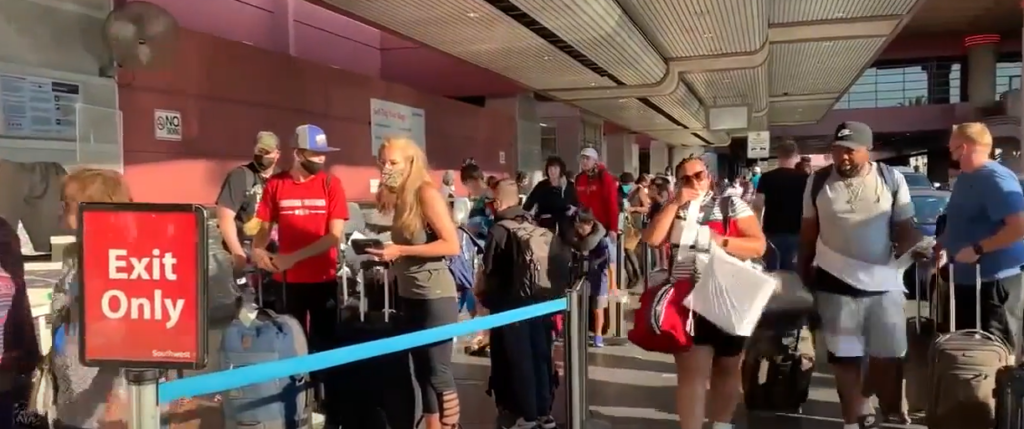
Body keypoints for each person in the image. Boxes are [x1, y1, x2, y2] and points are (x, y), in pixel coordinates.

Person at [798, 121, 922, 428]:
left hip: (882, 285)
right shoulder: (817, 182)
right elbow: (808, 233)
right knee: (844, 358)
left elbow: (906, 226)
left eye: (851, 151)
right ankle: (854, 418)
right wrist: (802, 276)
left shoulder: (890, 179)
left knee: (889, 355)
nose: (844, 158)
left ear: (868, 150)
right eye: (838, 150)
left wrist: (915, 247)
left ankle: (883, 403)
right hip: (833, 284)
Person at [640, 156, 766, 429]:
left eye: (698, 175)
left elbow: (758, 246)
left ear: (708, 175)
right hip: (688, 300)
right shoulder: (673, 208)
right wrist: (675, 202)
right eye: (686, 178)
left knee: (728, 368)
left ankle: (721, 424)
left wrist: (721, 240)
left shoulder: (730, 203)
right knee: (692, 375)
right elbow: (651, 239)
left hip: (728, 295)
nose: (694, 182)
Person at [367, 136, 462, 429]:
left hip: (435, 295)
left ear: (411, 163)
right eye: (382, 162)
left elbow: (451, 245)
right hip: (409, 294)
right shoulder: (401, 197)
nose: (387, 168)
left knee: (438, 371)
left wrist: (401, 251)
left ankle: (450, 426)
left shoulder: (426, 193)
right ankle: (432, 422)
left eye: (393, 162)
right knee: (420, 369)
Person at [251, 124, 348, 353]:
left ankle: (324, 387)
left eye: (323, 153)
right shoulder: (276, 185)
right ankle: (297, 387)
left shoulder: (331, 184)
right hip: (287, 283)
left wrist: (292, 258)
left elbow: (334, 237)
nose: (320, 159)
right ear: (297, 153)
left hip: (323, 280)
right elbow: (264, 226)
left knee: (325, 345)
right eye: (314, 153)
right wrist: (257, 249)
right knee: (290, 346)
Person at [50, 168, 134, 428]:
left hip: (105, 405)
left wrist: (119, 397)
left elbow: (132, 337)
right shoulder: (75, 256)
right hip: (72, 393)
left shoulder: (122, 263)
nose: (61, 211)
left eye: (67, 204)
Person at [939, 122, 1024, 357]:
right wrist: (941, 245)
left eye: (952, 147)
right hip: (966, 283)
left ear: (964, 148)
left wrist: (979, 248)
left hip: (992, 286)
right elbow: (961, 222)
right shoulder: (967, 178)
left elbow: (1019, 226)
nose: (950, 152)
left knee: (995, 356)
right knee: (966, 358)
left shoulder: (996, 178)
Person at [478, 178, 556, 429]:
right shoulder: (533, 224)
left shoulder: (499, 230)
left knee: (518, 359)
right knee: (541, 355)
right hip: (540, 301)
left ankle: (527, 414)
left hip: (510, 306)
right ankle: (545, 413)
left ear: (498, 201)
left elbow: (488, 272)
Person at [216, 131, 281, 273]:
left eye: (267, 152)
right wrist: (238, 255)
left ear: (277, 155)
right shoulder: (240, 176)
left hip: (272, 251)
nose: (262, 156)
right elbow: (225, 218)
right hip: (244, 249)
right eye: (259, 151)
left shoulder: (282, 180)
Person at [753, 140, 807, 271]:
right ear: (796, 155)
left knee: (771, 271)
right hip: (797, 232)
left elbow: (758, 206)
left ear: (778, 156)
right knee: (793, 273)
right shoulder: (805, 178)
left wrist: (757, 230)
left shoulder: (766, 177)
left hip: (771, 231)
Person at [575, 148, 619, 290]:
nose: (584, 161)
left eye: (587, 158)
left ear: (595, 161)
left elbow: (612, 203)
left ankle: (611, 289)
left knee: (608, 259)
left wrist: (613, 228)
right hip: (587, 226)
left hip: (603, 227)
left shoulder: (604, 177)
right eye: (582, 158)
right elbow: (579, 202)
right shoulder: (580, 178)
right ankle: (594, 290)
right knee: (591, 261)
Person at [567, 208, 612, 347]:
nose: (579, 230)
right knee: (580, 304)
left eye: (582, 227)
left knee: (598, 307)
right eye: (577, 227)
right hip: (581, 275)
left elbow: (611, 262)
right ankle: (582, 331)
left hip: (599, 277)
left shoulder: (602, 240)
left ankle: (598, 335)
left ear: (590, 224)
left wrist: (613, 284)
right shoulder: (576, 237)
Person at [523, 156, 578, 234]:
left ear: (560, 169)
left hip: (565, 224)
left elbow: (576, 204)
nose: (552, 171)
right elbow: (529, 203)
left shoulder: (569, 186)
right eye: (550, 169)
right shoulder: (541, 186)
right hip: (545, 223)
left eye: (555, 168)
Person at [622, 174, 651, 290]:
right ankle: (631, 277)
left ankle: (637, 275)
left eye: (627, 185)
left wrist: (633, 209)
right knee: (625, 250)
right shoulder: (622, 192)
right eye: (623, 185)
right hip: (625, 224)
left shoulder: (639, 191)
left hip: (636, 224)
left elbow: (646, 208)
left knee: (628, 249)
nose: (625, 187)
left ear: (632, 183)